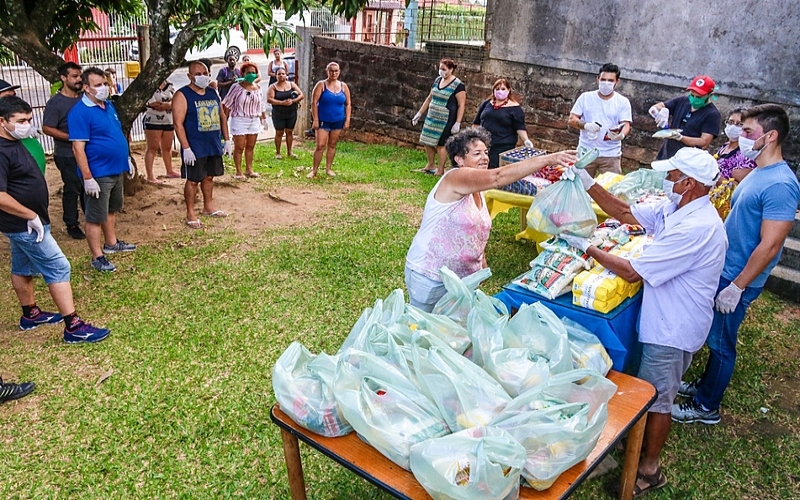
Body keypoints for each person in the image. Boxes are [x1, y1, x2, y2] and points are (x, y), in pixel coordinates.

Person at [563, 147, 727, 497]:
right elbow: (623, 211)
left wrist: (586, 248)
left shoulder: (696, 227)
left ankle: (649, 469)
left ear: (691, 183)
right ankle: (633, 447)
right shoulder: (677, 207)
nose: (666, 181)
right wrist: (586, 180)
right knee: (651, 390)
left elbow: (633, 272)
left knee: (656, 399)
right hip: (666, 316)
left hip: (673, 327)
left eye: (672, 176)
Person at [672, 104, 800, 425]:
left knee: (722, 343)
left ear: (769, 136)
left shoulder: (781, 185)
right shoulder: (759, 171)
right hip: (726, 268)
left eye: (747, 132)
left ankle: (707, 407)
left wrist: (738, 286)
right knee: (715, 335)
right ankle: (704, 386)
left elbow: (770, 244)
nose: (741, 137)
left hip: (738, 278)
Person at [404, 127, 577, 311]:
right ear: (459, 159)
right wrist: (548, 159)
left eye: (486, 152)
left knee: (454, 335)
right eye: (477, 153)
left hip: (463, 280)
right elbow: (498, 177)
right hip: (431, 275)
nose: (485, 157)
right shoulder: (455, 177)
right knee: (422, 331)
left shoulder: (478, 190)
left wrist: (481, 263)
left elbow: (474, 228)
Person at [0, 96, 110, 342]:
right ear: (2, 121)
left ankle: (30, 314)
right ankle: (73, 326)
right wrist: (30, 216)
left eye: (29, 119)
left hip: (28, 221)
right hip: (25, 223)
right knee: (59, 267)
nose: (27, 125)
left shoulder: (14, 142)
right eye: (20, 121)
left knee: (22, 266)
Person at [68, 67, 137, 273]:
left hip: (116, 169)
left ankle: (111, 243)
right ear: (86, 88)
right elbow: (77, 148)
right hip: (98, 172)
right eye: (98, 85)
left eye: (105, 84)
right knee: (95, 216)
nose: (104, 88)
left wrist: (126, 158)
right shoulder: (80, 112)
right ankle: (97, 256)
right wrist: (88, 177)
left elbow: (115, 133)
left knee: (111, 209)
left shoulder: (107, 106)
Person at [173, 61, 232, 229]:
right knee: (193, 180)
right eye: (197, 74)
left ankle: (208, 207)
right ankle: (190, 213)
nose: (202, 76)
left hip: (213, 144)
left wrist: (227, 140)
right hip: (194, 146)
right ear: (190, 76)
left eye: (204, 73)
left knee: (209, 177)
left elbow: (222, 117)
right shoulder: (182, 95)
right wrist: (186, 148)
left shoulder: (213, 92)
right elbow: (178, 124)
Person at [42, 62, 87, 240]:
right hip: (66, 153)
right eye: (74, 76)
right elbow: (47, 128)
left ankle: (90, 217)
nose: (78, 80)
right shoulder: (56, 103)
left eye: (80, 76)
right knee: (72, 187)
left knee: (87, 186)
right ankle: (72, 223)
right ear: (63, 78)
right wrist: (71, 137)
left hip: (87, 152)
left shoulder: (85, 98)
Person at [567, 63, 633, 177]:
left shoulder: (622, 102)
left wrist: (621, 135)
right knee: (580, 188)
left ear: (617, 82)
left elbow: (626, 124)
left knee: (610, 190)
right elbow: (572, 119)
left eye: (610, 80)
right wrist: (586, 125)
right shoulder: (586, 97)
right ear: (597, 79)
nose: (606, 83)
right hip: (586, 151)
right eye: (603, 79)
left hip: (611, 153)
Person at [413, 58, 466, 176]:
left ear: (451, 70)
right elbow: (429, 97)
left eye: (444, 69)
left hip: (446, 119)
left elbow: (461, 105)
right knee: (427, 140)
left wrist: (457, 122)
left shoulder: (458, 85)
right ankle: (430, 164)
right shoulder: (437, 80)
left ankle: (441, 170)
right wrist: (420, 113)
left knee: (441, 144)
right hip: (432, 116)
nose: (441, 71)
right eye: (440, 68)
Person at [649, 75, 721, 160]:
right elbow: (657, 107)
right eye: (692, 95)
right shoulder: (682, 101)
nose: (694, 99)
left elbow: (704, 142)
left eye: (699, 97)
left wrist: (680, 138)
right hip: (667, 154)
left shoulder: (712, 114)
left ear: (710, 95)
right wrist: (663, 110)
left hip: (688, 160)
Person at [472, 78, 534, 169]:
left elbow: (519, 126)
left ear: (508, 90)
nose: (500, 91)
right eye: (497, 89)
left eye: (503, 89)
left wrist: (526, 140)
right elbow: (476, 122)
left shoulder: (515, 108)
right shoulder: (487, 103)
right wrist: (473, 137)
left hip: (502, 145)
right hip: (484, 143)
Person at [222, 62, 266, 180]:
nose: (251, 75)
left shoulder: (258, 88)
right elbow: (227, 104)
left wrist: (263, 119)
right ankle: (238, 171)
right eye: (248, 72)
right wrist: (224, 120)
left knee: (250, 146)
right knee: (239, 147)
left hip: (254, 120)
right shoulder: (236, 87)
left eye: (253, 72)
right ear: (243, 74)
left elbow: (261, 105)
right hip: (239, 119)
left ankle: (249, 169)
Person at [309, 61, 351, 179]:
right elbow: (314, 102)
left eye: (336, 71)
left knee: (332, 144)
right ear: (327, 71)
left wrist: (347, 120)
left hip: (337, 120)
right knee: (320, 145)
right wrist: (315, 119)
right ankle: (314, 170)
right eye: (331, 70)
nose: (333, 73)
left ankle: (328, 168)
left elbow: (348, 104)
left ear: (339, 72)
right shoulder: (321, 85)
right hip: (323, 120)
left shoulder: (343, 86)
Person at [143, 80, 179, 183]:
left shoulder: (170, 85)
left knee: (167, 147)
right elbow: (153, 103)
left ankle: (170, 171)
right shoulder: (149, 85)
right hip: (153, 121)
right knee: (152, 148)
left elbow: (176, 100)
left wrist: (167, 105)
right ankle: (150, 176)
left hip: (168, 120)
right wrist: (168, 104)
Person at [267, 67, 303, 159]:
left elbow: (301, 95)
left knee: (289, 132)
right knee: (279, 132)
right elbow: (269, 99)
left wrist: (293, 101)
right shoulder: (273, 87)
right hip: (278, 113)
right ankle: (278, 152)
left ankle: (290, 152)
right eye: (279, 74)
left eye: (283, 73)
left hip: (291, 112)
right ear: (276, 76)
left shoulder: (292, 84)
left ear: (286, 75)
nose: (281, 75)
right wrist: (281, 103)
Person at [714, 108, 756, 182]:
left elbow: (739, 185)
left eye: (740, 124)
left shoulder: (746, 154)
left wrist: (712, 177)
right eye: (730, 122)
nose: (733, 127)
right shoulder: (725, 146)